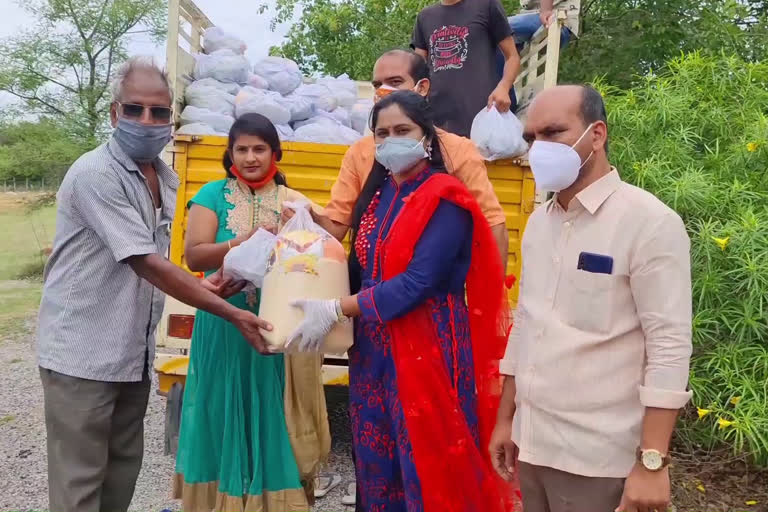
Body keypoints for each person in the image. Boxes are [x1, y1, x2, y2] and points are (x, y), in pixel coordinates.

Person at [36, 57, 272, 512]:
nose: (148, 121)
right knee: (80, 486)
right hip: (82, 355)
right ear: (113, 113)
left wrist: (209, 287)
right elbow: (145, 262)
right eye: (135, 109)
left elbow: (158, 262)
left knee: (120, 475)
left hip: (130, 353)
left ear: (171, 118)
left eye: (159, 112)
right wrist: (230, 312)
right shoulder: (96, 174)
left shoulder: (163, 176)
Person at [290, 91, 519, 511]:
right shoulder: (377, 198)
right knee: (378, 460)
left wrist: (338, 308)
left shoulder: (445, 197)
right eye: (382, 133)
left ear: (426, 138)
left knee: (428, 461)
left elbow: (419, 282)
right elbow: (359, 263)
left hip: (429, 346)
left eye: (402, 131)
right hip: (375, 348)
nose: (391, 140)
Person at [489, 85, 693, 512]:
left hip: (598, 459)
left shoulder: (650, 223)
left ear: (596, 135)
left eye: (553, 132)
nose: (539, 147)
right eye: (531, 138)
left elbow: (669, 346)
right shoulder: (540, 224)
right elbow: (526, 322)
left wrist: (652, 463)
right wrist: (507, 420)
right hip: (532, 442)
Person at [173, 113, 330, 511]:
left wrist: (301, 229)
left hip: (276, 324)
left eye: (259, 148)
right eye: (241, 149)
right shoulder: (211, 195)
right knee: (220, 406)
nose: (250, 157)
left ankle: (271, 500)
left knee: (273, 409)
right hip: (223, 321)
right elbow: (194, 255)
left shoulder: (292, 201)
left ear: (275, 153)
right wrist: (243, 242)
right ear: (230, 154)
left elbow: (324, 241)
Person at [319, 49, 509, 269]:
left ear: (422, 88)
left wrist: (491, 297)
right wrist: (307, 215)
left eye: (395, 81)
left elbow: (492, 225)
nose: (383, 91)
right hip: (367, 290)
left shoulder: (458, 151)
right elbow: (336, 226)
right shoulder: (360, 152)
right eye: (377, 85)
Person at [411, 0, 521, 137]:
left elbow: (513, 57)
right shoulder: (424, 17)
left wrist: (503, 88)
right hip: (439, 123)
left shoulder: (486, 5)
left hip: (484, 115)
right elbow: (417, 69)